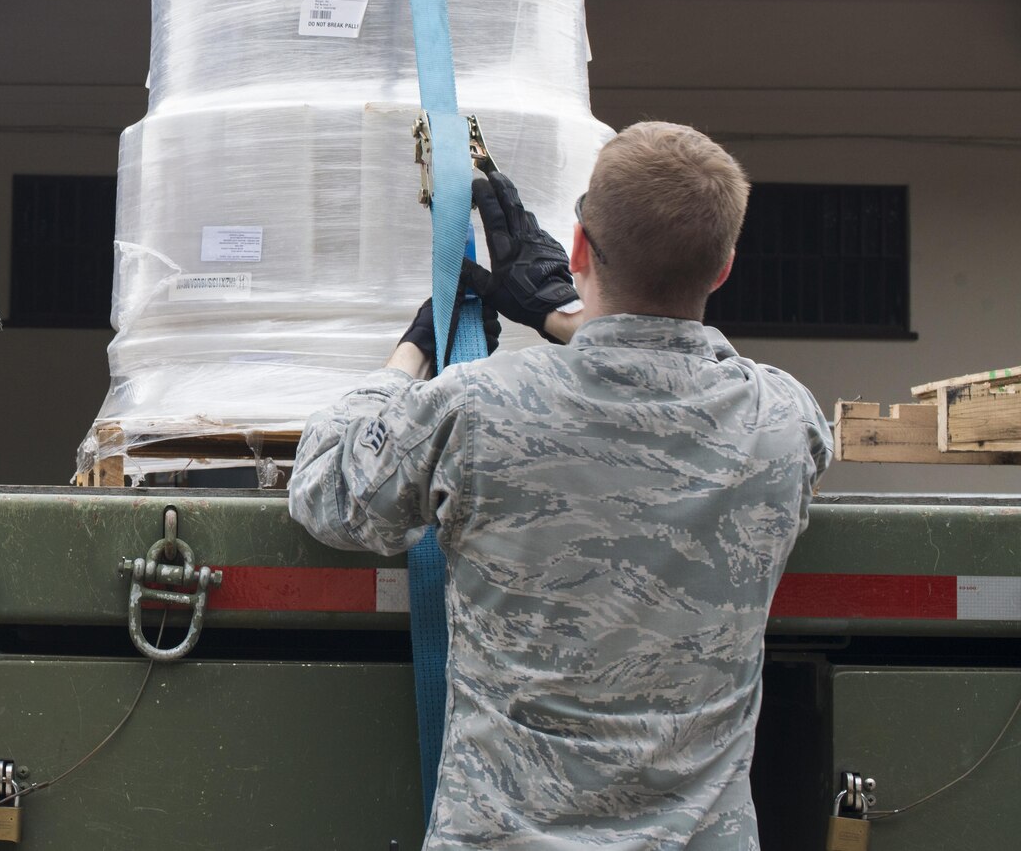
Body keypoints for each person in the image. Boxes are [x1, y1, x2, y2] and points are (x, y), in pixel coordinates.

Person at [289, 121, 831, 850]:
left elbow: (328, 490)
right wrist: (560, 315)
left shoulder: (477, 408)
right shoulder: (780, 420)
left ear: (579, 247)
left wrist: (408, 356)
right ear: (725, 267)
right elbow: (683, 379)